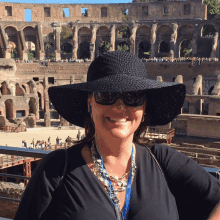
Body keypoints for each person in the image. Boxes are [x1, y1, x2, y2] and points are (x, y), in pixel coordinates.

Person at [14, 51, 220, 220]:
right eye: (106, 95)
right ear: (89, 101)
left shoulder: (163, 160)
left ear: (144, 105)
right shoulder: (56, 170)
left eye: (133, 96)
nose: (119, 106)